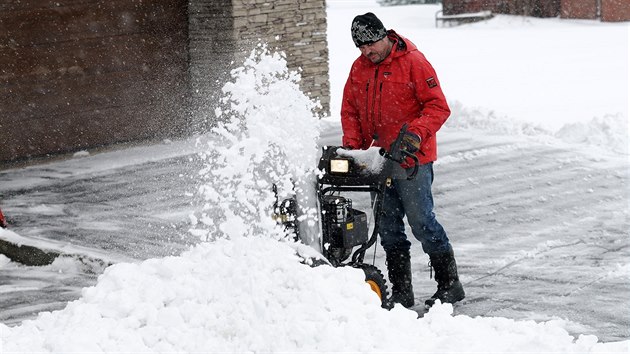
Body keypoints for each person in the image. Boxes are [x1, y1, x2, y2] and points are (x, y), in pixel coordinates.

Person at [341, 12, 464, 309]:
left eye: (369, 45)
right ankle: (401, 291)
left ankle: (450, 285)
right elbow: (351, 111)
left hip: (413, 160)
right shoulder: (359, 69)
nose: (366, 52)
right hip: (378, 159)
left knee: (421, 222)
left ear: (383, 37)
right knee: (388, 227)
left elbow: (438, 106)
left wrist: (415, 135)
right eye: (360, 48)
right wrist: (355, 150)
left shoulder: (413, 62)